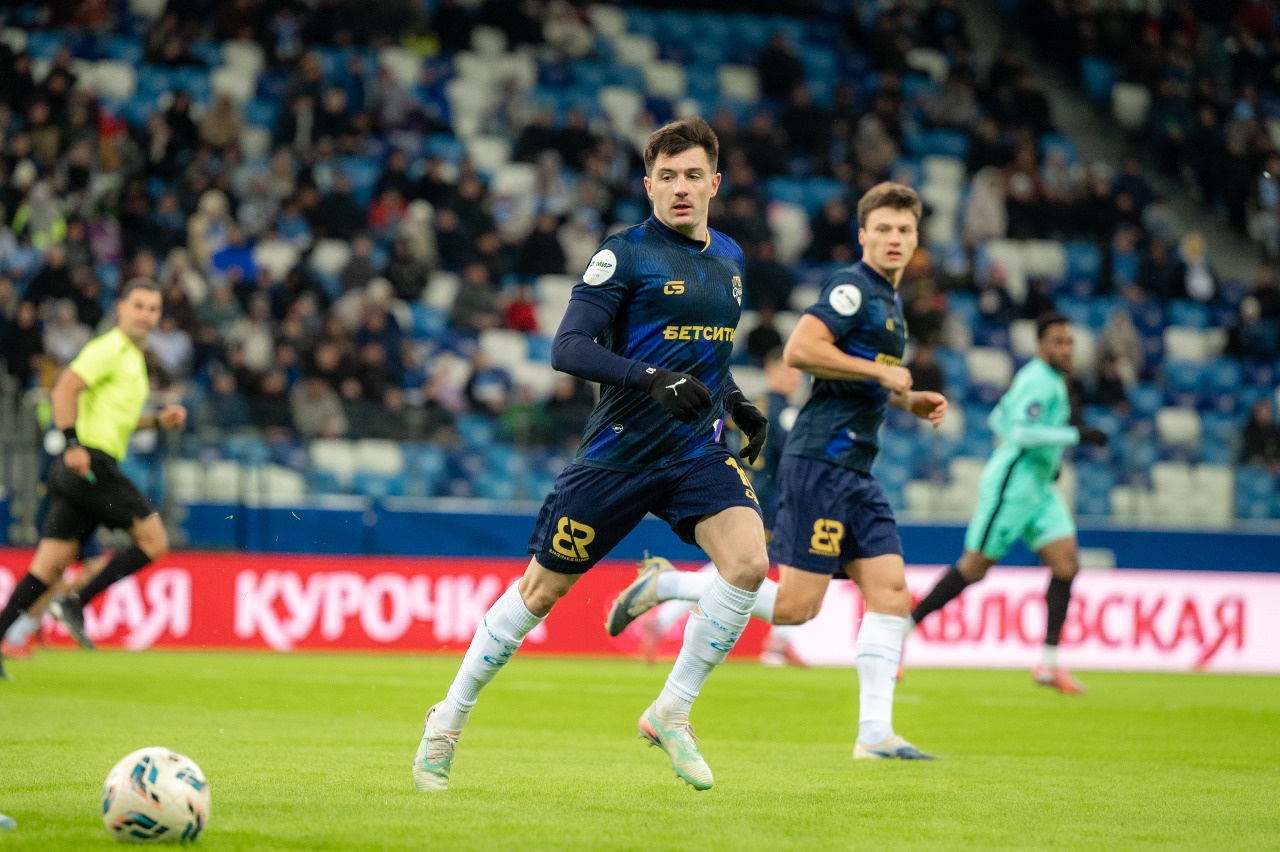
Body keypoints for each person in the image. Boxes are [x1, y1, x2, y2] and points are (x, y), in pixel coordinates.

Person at [412, 117, 770, 793]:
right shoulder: (624, 254)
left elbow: (704, 355)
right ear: (648, 186)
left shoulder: (730, 258)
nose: (681, 187)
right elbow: (568, 347)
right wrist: (650, 379)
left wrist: (736, 401)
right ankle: (448, 717)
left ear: (715, 184)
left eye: (693, 175)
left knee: (749, 562)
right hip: (617, 456)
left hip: (694, 453)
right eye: (667, 176)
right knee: (539, 593)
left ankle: (672, 710)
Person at [607, 182, 948, 760]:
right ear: (863, 236)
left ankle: (874, 734)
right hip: (822, 462)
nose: (894, 239)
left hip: (857, 469)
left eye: (904, 230)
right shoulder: (852, 289)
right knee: (796, 608)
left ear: (916, 241)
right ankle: (668, 585)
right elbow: (801, 351)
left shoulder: (891, 304)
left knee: (891, 593)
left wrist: (906, 399)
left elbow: (858, 378)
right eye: (883, 229)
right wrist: (878, 372)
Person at [906, 312, 1107, 695]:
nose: (1067, 349)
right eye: (1059, 342)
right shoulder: (1038, 380)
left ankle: (1048, 663)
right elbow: (1021, 432)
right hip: (1013, 487)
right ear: (1041, 345)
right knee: (974, 567)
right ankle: (901, 631)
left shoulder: (1050, 379)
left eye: (1069, 342)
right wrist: (1073, 435)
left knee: (1066, 564)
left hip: (1040, 488)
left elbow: (999, 417)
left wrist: (1046, 462)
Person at [0, 279, 187, 680]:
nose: (146, 315)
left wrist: (158, 421)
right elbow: (63, 389)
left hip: (84, 470)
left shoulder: (135, 361)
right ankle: (75, 602)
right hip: (91, 465)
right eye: (139, 306)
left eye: (153, 309)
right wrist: (72, 442)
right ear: (121, 308)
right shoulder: (109, 348)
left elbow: (120, 422)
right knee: (155, 541)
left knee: (47, 568)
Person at [638, 347, 805, 666]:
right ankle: (777, 642)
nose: (796, 377)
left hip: (739, 491)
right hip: (768, 501)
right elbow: (792, 460)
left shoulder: (745, 405)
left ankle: (779, 640)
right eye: (789, 370)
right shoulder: (784, 412)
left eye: (797, 372)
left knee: (747, 565)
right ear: (771, 372)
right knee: (750, 567)